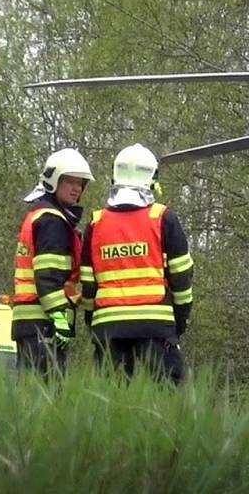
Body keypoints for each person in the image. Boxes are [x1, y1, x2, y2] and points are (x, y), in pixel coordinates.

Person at [80, 144, 192, 384]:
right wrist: (179, 321)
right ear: (151, 179)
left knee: (110, 400)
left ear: (114, 177)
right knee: (170, 399)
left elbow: (88, 283)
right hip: (156, 324)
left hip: (108, 326)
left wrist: (92, 321)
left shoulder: (96, 222)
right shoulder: (163, 218)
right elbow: (182, 277)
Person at [12, 148, 95, 373]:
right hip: (44, 320)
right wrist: (59, 317)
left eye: (81, 183)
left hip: (30, 320)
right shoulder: (52, 221)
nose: (77, 188)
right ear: (53, 181)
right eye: (70, 181)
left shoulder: (39, 215)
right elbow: (47, 277)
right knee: (46, 396)